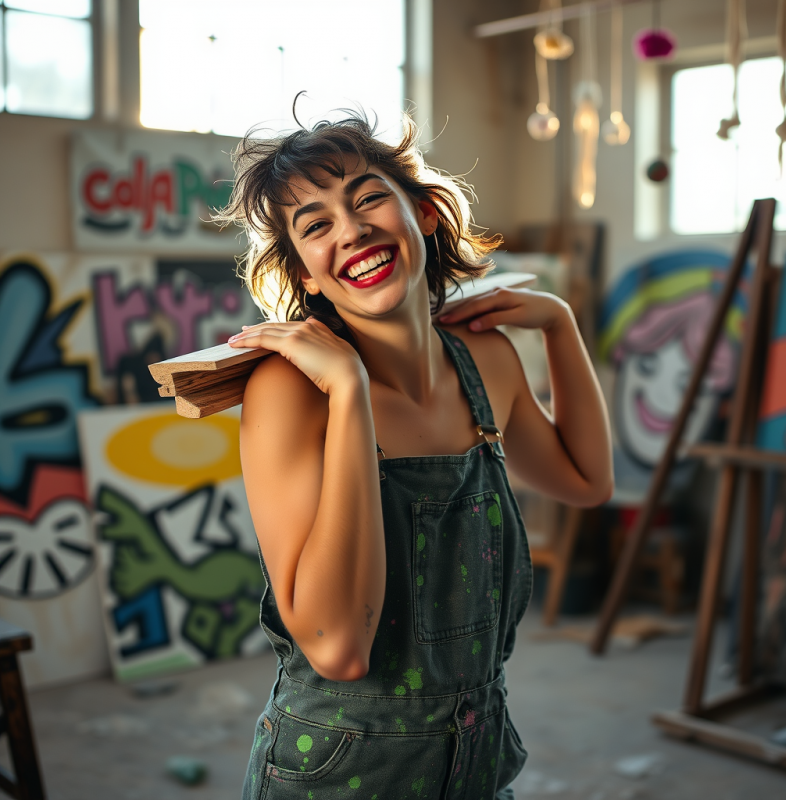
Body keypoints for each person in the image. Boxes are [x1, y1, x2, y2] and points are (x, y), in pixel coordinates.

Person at [221, 109, 613, 799]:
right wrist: (349, 393)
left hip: (479, 762)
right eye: (315, 225)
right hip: (337, 772)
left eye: (368, 198)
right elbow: (338, 647)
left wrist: (559, 324)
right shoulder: (290, 391)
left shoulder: (484, 361)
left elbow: (585, 482)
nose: (351, 231)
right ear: (305, 274)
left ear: (424, 213)